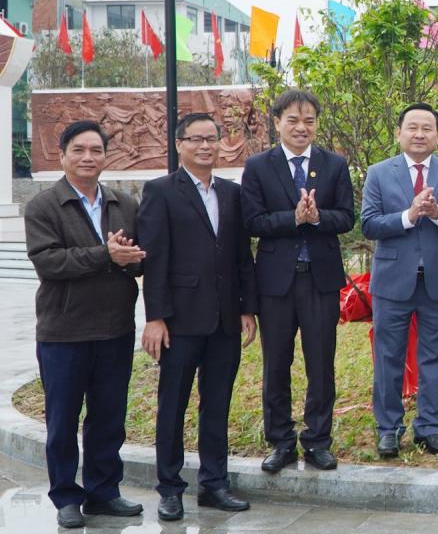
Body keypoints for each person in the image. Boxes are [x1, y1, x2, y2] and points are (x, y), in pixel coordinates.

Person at [25, 120, 146, 529]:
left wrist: (133, 259)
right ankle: (65, 496)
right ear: (62, 155)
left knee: (109, 417)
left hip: (114, 329)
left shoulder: (123, 203)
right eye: (79, 150)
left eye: (96, 150)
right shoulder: (44, 206)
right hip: (64, 332)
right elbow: (49, 262)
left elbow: (137, 257)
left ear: (105, 155)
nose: (88, 157)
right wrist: (105, 255)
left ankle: (103, 491)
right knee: (62, 420)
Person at [137, 113, 258, 521]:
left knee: (217, 403)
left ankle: (214, 483)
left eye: (212, 139)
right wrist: (156, 317)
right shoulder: (160, 192)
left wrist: (247, 308)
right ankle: (170, 488)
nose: (205, 146)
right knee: (173, 405)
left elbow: (242, 255)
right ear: (179, 144)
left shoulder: (231, 193)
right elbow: (154, 261)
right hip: (180, 320)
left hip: (224, 319)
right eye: (196, 139)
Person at [241, 89, 355, 473]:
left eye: (309, 120)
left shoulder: (334, 164)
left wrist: (318, 217)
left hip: (319, 280)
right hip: (275, 283)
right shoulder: (258, 166)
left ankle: (318, 440)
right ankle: (281, 441)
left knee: (321, 362)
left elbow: (347, 218)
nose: (301, 127)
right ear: (277, 123)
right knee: (277, 363)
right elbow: (252, 222)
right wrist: (293, 218)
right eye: (293, 120)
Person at [360, 103, 438, 458]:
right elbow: (369, 224)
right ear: (399, 133)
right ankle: (388, 429)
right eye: (412, 128)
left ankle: (430, 429)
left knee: (436, 356)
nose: (420, 134)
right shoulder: (378, 173)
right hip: (392, 280)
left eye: (427, 129)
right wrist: (408, 215)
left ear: (437, 135)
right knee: (388, 356)